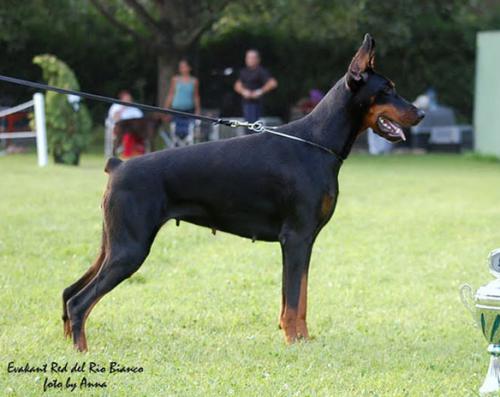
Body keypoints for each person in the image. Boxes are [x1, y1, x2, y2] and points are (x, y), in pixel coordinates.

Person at [234, 49, 277, 126]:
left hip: (258, 104)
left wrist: (259, 92)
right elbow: (237, 85)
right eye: (248, 58)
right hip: (246, 103)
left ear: (258, 59)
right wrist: (244, 91)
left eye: (252, 58)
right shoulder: (243, 72)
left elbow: (272, 83)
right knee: (247, 125)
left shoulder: (261, 71)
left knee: (256, 125)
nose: (250, 60)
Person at [165, 59, 201, 145]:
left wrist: (197, 110)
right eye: (181, 67)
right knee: (175, 131)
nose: (183, 69)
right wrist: (166, 109)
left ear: (189, 68)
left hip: (188, 110)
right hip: (176, 109)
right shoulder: (175, 80)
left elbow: (196, 96)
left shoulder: (194, 81)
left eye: (185, 67)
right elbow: (171, 94)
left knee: (190, 131)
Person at [105, 90, 144, 158]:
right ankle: (127, 154)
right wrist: (123, 108)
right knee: (127, 135)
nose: (128, 100)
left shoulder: (134, 109)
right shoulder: (116, 106)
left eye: (129, 98)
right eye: (126, 98)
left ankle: (138, 153)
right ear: (121, 99)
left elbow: (141, 120)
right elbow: (114, 118)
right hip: (119, 130)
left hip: (134, 131)